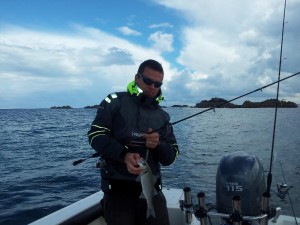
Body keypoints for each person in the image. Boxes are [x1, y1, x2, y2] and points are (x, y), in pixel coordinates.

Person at [88, 59, 179, 225]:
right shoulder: (114, 101)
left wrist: (159, 144)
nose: (152, 87)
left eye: (157, 83)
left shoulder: (163, 117)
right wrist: (123, 154)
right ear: (137, 77)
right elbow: (96, 135)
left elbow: (171, 157)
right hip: (118, 195)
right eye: (148, 81)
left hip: (153, 193)